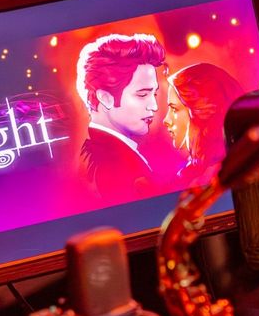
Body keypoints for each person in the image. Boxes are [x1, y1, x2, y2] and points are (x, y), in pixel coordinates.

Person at [75, 33, 167, 202]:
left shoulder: (109, 153)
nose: (154, 106)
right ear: (105, 98)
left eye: (154, 93)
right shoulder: (108, 165)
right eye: (142, 94)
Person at [163, 62, 245, 184]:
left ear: (200, 112)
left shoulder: (214, 178)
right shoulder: (196, 174)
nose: (166, 120)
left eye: (174, 109)